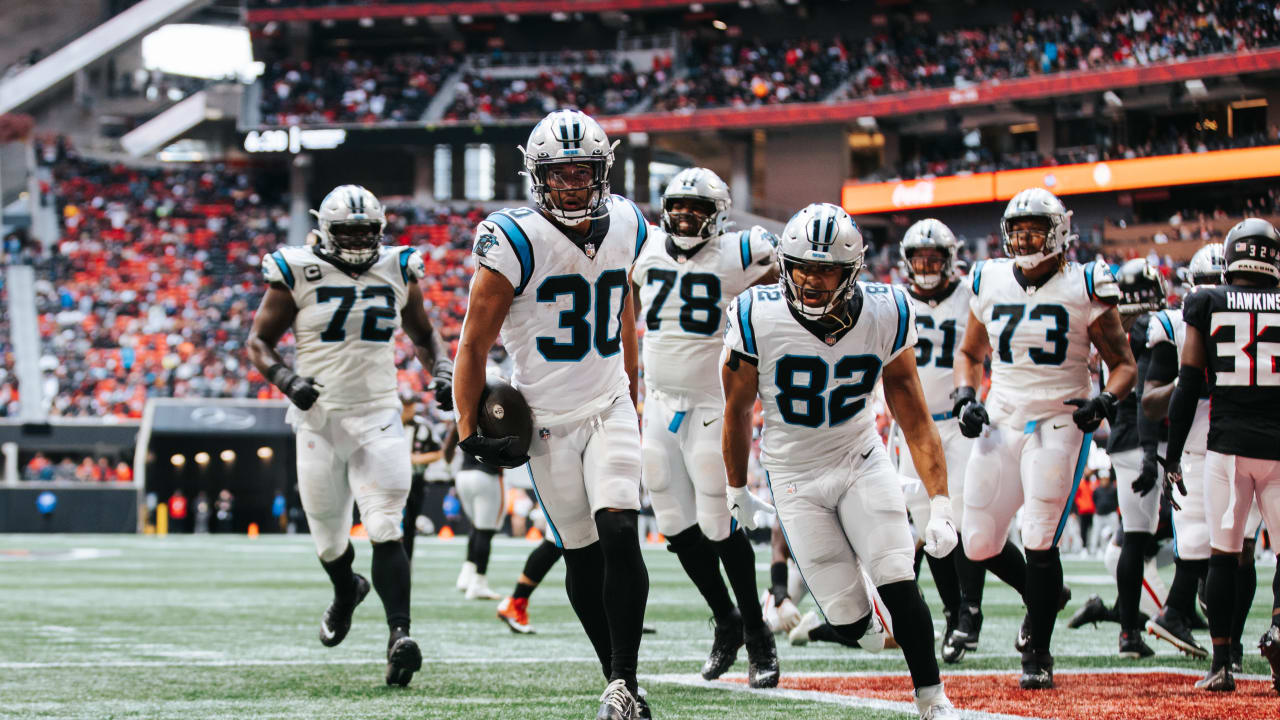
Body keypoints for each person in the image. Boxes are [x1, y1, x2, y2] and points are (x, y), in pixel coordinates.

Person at [721, 203, 959, 720]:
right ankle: (866, 616)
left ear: (851, 272)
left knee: (898, 574)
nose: (810, 279)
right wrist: (736, 488)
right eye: (801, 265)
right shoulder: (754, 314)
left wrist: (940, 499)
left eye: (825, 268)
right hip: (793, 474)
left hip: (858, 457)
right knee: (853, 624)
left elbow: (913, 413)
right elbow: (737, 411)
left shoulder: (886, 310)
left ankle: (933, 698)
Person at [452, 109, 651, 720]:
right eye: (559, 173)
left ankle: (623, 679)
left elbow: (624, 313)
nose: (571, 183)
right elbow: (472, 345)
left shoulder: (628, 222)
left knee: (622, 529)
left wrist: (634, 390)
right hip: (544, 422)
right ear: (538, 176)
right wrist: (466, 432)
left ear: (603, 171)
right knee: (582, 554)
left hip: (609, 401)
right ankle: (617, 679)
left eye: (582, 171)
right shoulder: (512, 239)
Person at [247, 183, 454, 687]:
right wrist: (286, 379)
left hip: (380, 414)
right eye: (349, 232)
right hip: (319, 419)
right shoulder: (296, 269)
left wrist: (443, 368)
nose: (360, 241)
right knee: (329, 540)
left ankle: (398, 635)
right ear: (324, 230)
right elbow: (259, 342)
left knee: (386, 525)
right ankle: (346, 590)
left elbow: (424, 332)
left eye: (367, 231)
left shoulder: (399, 266)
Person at [953, 188, 1136, 689]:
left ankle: (1038, 650)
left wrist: (1106, 401)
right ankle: (1045, 595)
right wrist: (967, 395)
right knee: (979, 541)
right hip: (1003, 414)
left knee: (1038, 535)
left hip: (1061, 417)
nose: (1025, 238)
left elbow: (1123, 365)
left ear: (1059, 234)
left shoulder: (1085, 283)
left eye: (1035, 229)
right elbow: (969, 353)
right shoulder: (989, 278)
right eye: (1018, 229)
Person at [630, 166, 779, 684]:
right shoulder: (643, 248)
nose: (685, 216)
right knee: (673, 522)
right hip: (660, 402)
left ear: (718, 216)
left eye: (697, 209)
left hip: (713, 403)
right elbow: (630, 313)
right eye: (678, 207)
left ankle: (759, 633)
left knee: (720, 522)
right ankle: (727, 619)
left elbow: (795, 281)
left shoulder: (740, 252)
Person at [1160, 218, 1280, 692]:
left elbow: (1189, 384)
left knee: (1224, 556)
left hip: (1227, 449)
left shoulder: (1206, 300)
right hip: (1278, 447)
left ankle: (1222, 663)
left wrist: (1171, 456)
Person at [888, 218, 996, 665]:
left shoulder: (970, 295)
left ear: (950, 260)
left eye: (934, 257)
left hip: (956, 421)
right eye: (919, 258)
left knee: (968, 520)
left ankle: (970, 610)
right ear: (906, 262)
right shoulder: (891, 302)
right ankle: (954, 613)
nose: (927, 265)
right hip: (911, 426)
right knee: (932, 528)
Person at [1139, 243, 1225, 662]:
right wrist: (1189, 379)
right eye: (1207, 286)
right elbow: (1150, 403)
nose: (1215, 294)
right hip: (1196, 444)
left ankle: (1194, 617)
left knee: (1229, 546)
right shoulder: (1173, 326)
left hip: (1237, 438)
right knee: (1210, 544)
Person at [1102, 257, 1170, 659]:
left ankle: (1132, 629)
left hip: (1124, 438)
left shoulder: (1111, 328)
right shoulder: (1150, 327)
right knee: (1141, 536)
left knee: (1138, 535)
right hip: (1147, 441)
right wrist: (1149, 450)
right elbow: (1147, 394)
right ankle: (1133, 628)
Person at [444, 424, 505, 600]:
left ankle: (466, 574)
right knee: (485, 531)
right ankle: (479, 582)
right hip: (486, 475)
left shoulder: (466, 409)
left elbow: (449, 445)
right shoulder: (494, 410)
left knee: (477, 527)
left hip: (463, 475)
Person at [401, 397, 445, 563]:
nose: (407, 409)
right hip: (389, 479)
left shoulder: (422, 426)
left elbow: (438, 453)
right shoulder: (388, 424)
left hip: (415, 479)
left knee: (409, 523)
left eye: (410, 405)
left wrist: (415, 459)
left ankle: (406, 560)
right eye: (405, 405)